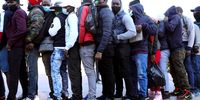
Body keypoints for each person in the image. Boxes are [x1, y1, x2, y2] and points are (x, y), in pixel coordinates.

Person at [129, 3, 158, 100]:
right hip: (130, 50)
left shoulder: (146, 18)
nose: (131, 11)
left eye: (132, 9)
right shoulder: (130, 18)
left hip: (141, 50)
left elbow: (154, 30)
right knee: (133, 74)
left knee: (141, 74)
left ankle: (143, 94)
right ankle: (134, 93)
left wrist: (143, 26)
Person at [164, 6, 192, 99]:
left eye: (166, 14)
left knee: (180, 70)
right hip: (173, 49)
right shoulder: (173, 18)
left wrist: (165, 20)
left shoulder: (175, 17)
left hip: (178, 49)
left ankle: (187, 92)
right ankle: (178, 89)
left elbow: (171, 27)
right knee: (173, 71)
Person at [111, 0, 137, 99]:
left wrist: (118, 37)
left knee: (126, 72)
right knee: (116, 72)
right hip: (115, 48)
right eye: (113, 3)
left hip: (124, 48)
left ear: (120, 5)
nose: (114, 5)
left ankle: (131, 94)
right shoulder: (112, 16)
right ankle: (118, 93)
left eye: (117, 4)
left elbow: (132, 32)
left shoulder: (125, 16)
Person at [6, 0, 28, 99]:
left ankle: (11, 97)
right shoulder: (18, 12)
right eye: (8, 2)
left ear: (17, 2)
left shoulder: (19, 12)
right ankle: (25, 94)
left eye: (11, 2)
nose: (9, 4)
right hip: (19, 47)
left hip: (16, 47)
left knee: (13, 74)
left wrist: (10, 42)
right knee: (21, 73)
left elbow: (22, 30)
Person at [93, 0, 115, 99]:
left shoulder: (106, 12)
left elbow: (107, 33)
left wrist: (100, 50)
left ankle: (109, 95)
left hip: (106, 47)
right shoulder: (100, 10)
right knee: (103, 72)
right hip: (102, 46)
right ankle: (105, 93)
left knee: (108, 72)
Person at [25, 0, 45, 99]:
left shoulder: (36, 11)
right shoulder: (35, 10)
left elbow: (36, 27)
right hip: (33, 43)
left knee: (32, 70)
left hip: (32, 44)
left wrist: (28, 40)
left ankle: (31, 95)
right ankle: (33, 93)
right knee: (32, 70)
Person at [77, 0, 96, 99]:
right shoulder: (93, 7)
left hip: (86, 42)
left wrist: (80, 41)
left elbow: (81, 26)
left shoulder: (84, 8)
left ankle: (92, 96)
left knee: (89, 71)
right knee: (92, 70)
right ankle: (91, 94)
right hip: (93, 41)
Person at [176, 7, 195, 91]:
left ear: (180, 12)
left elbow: (192, 33)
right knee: (181, 67)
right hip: (179, 44)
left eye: (177, 13)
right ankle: (183, 87)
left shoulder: (186, 19)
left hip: (185, 43)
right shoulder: (176, 19)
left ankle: (191, 86)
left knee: (187, 66)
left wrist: (189, 47)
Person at [191, 6, 200, 96]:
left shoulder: (195, 25)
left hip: (197, 51)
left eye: (195, 12)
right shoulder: (194, 24)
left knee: (196, 70)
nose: (194, 13)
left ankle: (197, 88)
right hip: (197, 51)